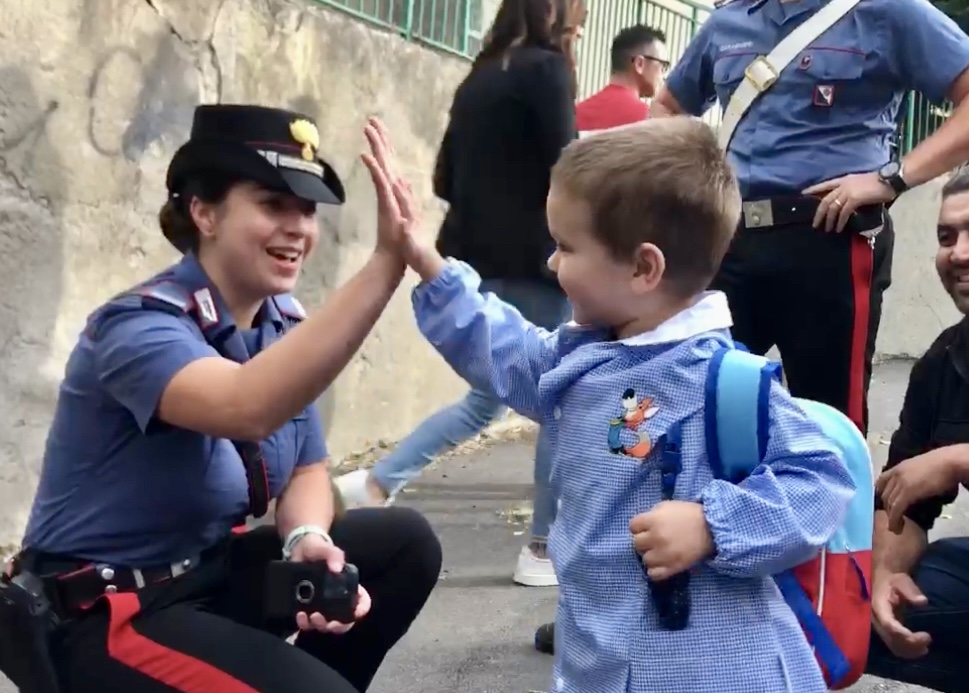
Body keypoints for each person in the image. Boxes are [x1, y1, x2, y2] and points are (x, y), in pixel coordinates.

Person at [395, 118, 855, 692]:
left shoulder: (726, 380)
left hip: (714, 673)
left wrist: (712, 525)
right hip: (599, 660)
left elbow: (821, 481)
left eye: (565, 247)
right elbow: (510, 351)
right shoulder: (592, 358)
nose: (552, 265)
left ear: (643, 268)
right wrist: (431, 268)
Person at [12, 105, 441, 693]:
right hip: (110, 612)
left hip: (207, 578)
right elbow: (247, 406)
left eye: (307, 210)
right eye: (272, 205)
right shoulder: (137, 329)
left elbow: (306, 466)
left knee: (403, 545)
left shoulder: (280, 326)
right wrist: (387, 264)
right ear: (204, 212)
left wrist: (305, 537)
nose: (297, 227)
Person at [335, 0, 586, 590]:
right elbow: (569, 166)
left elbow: (444, 176)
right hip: (536, 258)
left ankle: (376, 483)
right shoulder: (548, 70)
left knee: (486, 398)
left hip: (472, 251)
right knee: (561, 401)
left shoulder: (478, 75)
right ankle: (545, 546)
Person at [650, 0, 969, 438]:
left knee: (826, 421)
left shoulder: (889, 12)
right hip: (727, 240)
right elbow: (667, 107)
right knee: (699, 403)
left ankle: (836, 507)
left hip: (830, 238)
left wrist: (892, 178)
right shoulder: (731, 20)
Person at [866, 167, 969, 692]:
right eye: (947, 237)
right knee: (857, 610)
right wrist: (884, 579)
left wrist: (957, 460)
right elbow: (896, 499)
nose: (959, 253)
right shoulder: (943, 361)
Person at [575, 25, 667, 136]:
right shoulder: (648, 121)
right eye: (663, 65)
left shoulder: (576, 113)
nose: (664, 75)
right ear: (639, 64)